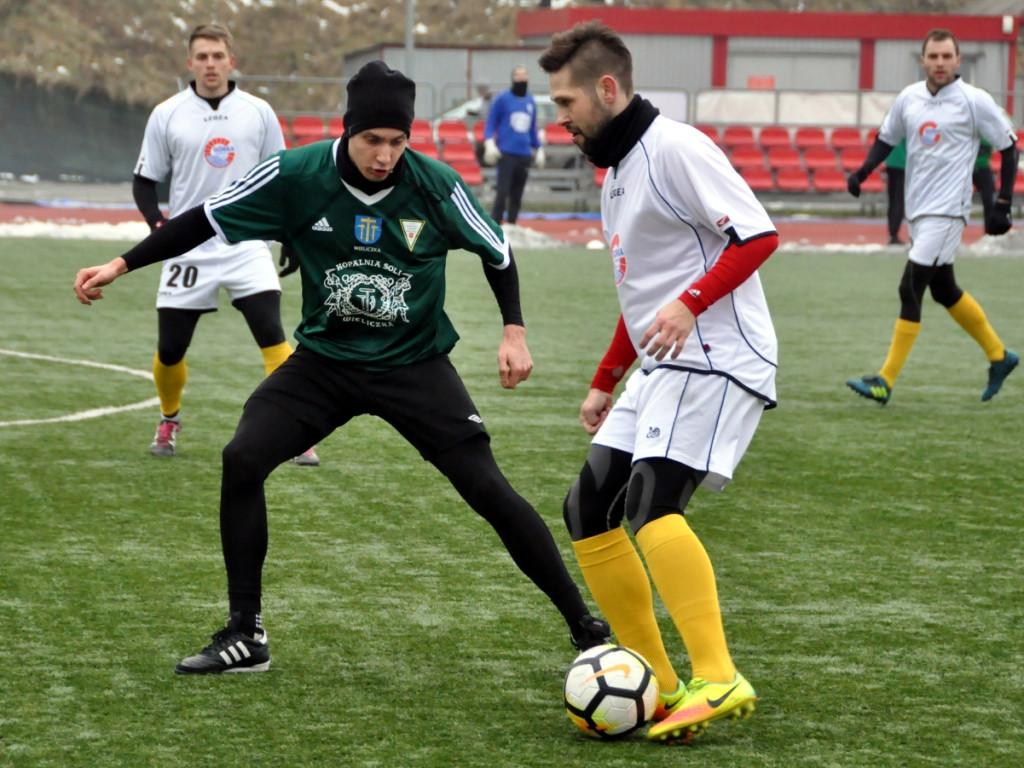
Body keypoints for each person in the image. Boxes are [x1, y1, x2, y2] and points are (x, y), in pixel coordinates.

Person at [74, 60, 610, 675]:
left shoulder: (433, 184)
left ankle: (583, 623)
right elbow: (204, 219)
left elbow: (497, 251)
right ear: (346, 131)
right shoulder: (294, 174)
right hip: (324, 364)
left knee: (488, 489)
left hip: (414, 364)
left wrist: (513, 329)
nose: (385, 156)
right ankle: (245, 634)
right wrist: (121, 263)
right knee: (242, 458)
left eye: (398, 141)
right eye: (372, 140)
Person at [539, 22, 779, 744]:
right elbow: (641, 294)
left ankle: (716, 673)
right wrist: (605, 378)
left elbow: (758, 235)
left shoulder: (676, 148)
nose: (561, 117)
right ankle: (660, 687)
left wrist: (690, 302)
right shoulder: (616, 173)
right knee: (588, 509)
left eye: (567, 100)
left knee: (652, 506)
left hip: (716, 354)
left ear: (608, 90)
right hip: (663, 361)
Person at [132, 23, 318, 465]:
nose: (210, 64)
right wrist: (159, 226)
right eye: (202, 57)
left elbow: (283, 176)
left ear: (231, 61)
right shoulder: (167, 113)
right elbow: (144, 180)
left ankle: (296, 431)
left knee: (272, 334)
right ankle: (169, 417)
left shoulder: (258, 112)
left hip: (246, 241)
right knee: (171, 348)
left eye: (218, 56)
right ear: (189, 62)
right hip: (188, 248)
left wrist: (289, 234)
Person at [846, 28, 1018, 404]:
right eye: (933, 56)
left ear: (958, 61)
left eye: (946, 56)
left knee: (910, 287)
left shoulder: (975, 101)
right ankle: (999, 355)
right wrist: (863, 172)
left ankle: (884, 382)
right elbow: (886, 138)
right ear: (922, 60)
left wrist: (1003, 203)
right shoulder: (909, 98)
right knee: (944, 289)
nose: (940, 63)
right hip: (919, 211)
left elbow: (1009, 146)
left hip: (948, 211)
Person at [483, 66, 545, 226]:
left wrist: (538, 148)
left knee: (517, 193)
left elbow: (532, 128)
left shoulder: (531, 101)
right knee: (503, 191)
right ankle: (495, 223)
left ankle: (512, 223)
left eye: (524, 74)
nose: (521, 78)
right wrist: (489, 141)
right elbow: (491, 121)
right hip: (506, 152)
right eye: (518, 75)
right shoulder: (502, 99)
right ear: (513, 78)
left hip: (524, 153)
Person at [884, 139, 907, 245]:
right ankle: (894, 233)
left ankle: (892, 233)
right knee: (899, 200)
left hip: (891, 161)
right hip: (902, 162)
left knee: (893, 199)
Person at [973, 139, 996, 223]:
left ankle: (990, 230)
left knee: (988, 199)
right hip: (966, 167)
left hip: (983, 168)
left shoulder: (988, 132)